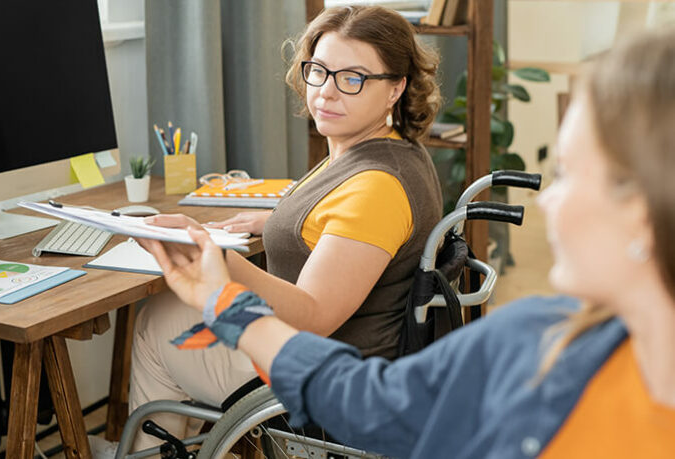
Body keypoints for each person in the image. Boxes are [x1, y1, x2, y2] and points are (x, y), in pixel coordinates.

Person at [137, 27, 675, 458]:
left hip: (337, 351)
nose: (550, 201)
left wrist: (222, 279)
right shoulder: (526, 339)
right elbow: (360, 396)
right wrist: (244, 265)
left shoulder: (533, 345)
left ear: (647, 210)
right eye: (319, 71)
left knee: (154, 324)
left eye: (572, 174)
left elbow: (324, 335)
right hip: (349, 361)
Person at [117, 5, 444, 452]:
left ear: (395, 89)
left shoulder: (377, 187)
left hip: (318, 373)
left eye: (353, 79)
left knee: (155, 325)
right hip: (339, 352)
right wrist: (277, 221)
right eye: (319, 71)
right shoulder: (381, 151)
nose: (327, 92)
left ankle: (154, 448)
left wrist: (220, 260)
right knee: (167, 317)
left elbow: (313, 315)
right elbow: (345, 227)